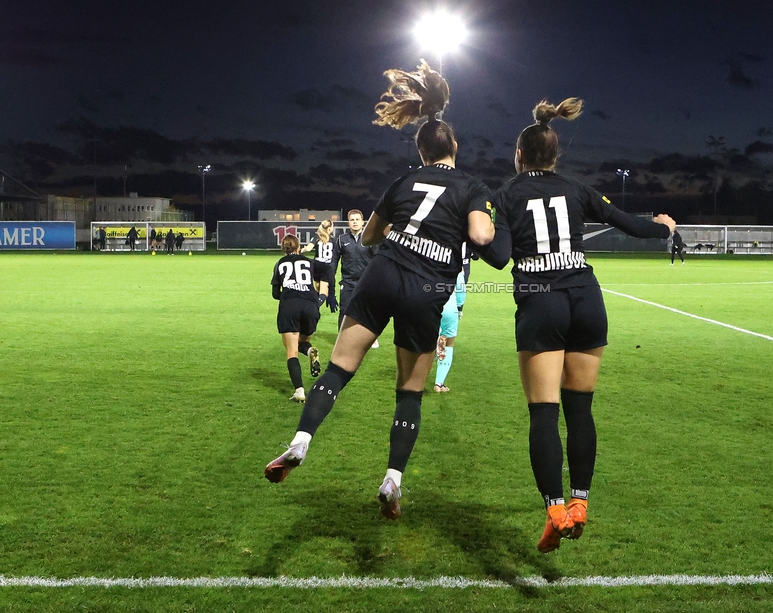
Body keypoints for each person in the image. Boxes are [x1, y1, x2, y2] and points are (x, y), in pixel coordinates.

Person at [264, 60, 495, 524]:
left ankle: (300, 442)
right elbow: (484, 237)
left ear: (421, 148)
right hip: (426, 287)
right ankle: (392, 478)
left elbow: (369, 237)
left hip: (382, 274)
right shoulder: (470, 185)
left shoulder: (404, 181)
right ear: (454, 146)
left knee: (338, 370)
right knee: (409, 392)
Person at [475, 98, 675, 553]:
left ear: (519, 155)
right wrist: (664, 228)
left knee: (543, 412)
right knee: (580, 409)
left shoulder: (504, 195)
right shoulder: (577, 188)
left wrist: (479, 238)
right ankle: (581, 503)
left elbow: (500, 256)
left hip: (541, 303)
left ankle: (555, 509)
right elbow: (631, 225)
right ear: (556, 155)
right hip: (586, 298)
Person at [271, 234, 322, 403]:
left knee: (291, 350)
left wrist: (288, 294)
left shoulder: (280, 263)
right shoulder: (309, 262)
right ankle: (309, 351)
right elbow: (323, 275)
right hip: (310, 306)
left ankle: (299, 390)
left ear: (283, 249)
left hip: (290, 305)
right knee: (303, 341)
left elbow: (275, 294)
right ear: (299, 247)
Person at [335, 209, 378, 347]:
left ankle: (371, 338)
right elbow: (333, 261)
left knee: (368, 311)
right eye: (352, 220)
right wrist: (329, 280)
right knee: (345, 311)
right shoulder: (342, 239)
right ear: (348, 222)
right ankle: (342, 340)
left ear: (363, 222)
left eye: (357, 219)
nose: (355, 222)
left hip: (366, 283)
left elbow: (378, 260)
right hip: (347, 282)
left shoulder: (370, 238)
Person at [433, 271, 465, 393]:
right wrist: (460, 307)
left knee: (427, 342)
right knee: (448, 344)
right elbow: (461, 287)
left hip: (430, 303)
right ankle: (439, 384)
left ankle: (417, 375)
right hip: (449, 305)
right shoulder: (455, 264)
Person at [304, 221, 339, 315]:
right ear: (330, 228)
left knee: (318, 290)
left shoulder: (317, 237)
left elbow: (308, 249)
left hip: (315, 266)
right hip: (326, 268)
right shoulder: (333, 240)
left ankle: (311, 305)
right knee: (323, 293)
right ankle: (311, 309)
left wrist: (302, 250)